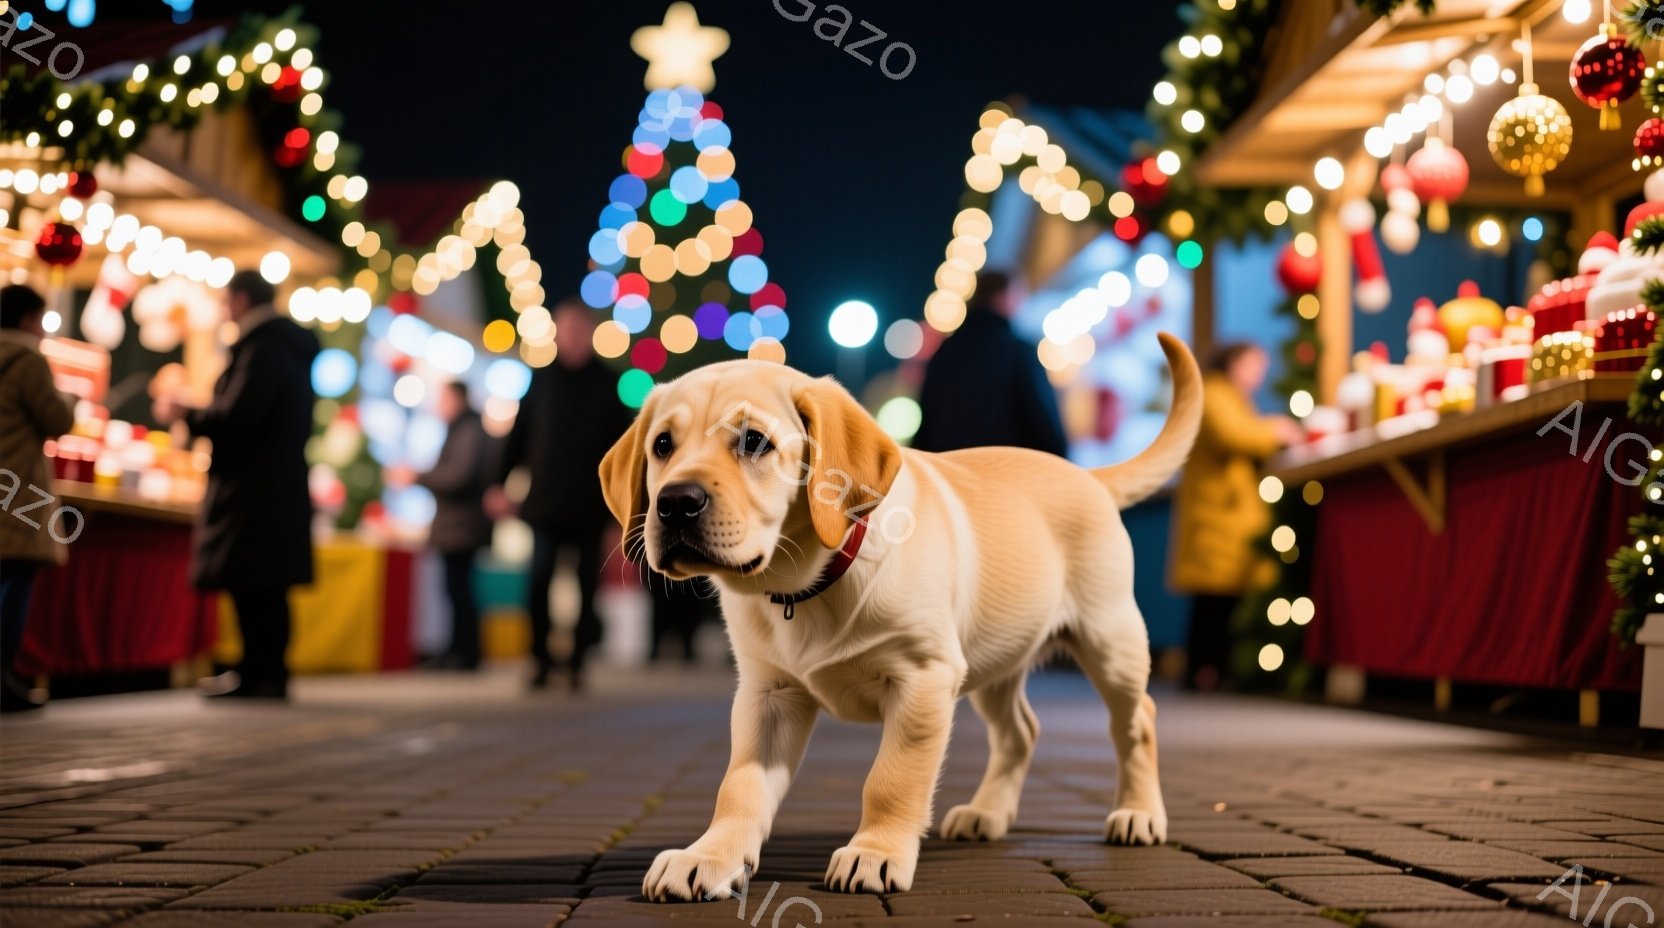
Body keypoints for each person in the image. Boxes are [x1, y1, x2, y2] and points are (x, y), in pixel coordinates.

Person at [154, 270, 318, 701]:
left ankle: (259, 673)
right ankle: (266, 672)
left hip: (254, 491)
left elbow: (238, 417)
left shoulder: (262, 349)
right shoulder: (286, 348)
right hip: (276, 488)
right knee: (267, 587)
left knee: (254, 585)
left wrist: (186, 413)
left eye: (227, 301)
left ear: (242, 300)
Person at [488, 301, 630, 691]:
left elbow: (621, 453)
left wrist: (622, 510)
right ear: (556, 333)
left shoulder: (606, 383)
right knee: (538, 582)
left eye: (578, 330)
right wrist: (499, 483)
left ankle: (578, 662)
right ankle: (540, 659)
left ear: (588, 334)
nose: (571, 337)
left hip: (589, 508)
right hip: (544, 505)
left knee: (587, 588)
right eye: (565, 330)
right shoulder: (541, 379)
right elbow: (518, 437)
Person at [1168, 342, 1302, 691]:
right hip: (1217, 515)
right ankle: (1202, 672)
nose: (1259, 374)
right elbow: (1232, 436)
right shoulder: (1214, 393)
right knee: (1212, 604)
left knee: (1220, 604)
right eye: (1254, 364)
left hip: (1227, 515)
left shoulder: (1232, 398)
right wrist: (1276, 431)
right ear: (1234, 363)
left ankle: (1209, 671)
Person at [0, 285, 75, 713]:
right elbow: (57, 418)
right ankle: (4, 679)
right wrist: (69, 400)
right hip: (18, 491)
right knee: (15, 581)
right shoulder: (28, 359)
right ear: (29, 319)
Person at [393, 381, 494, 670]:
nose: (438, 406)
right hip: (459, 525)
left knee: (458, 590)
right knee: (456, 589)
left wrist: (418, 477)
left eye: (443, 399)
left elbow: (459, 476)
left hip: (461, 526)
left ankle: (464, 653)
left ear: (456, 399)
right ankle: (459, 651)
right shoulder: (466, 429)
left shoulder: (468, 431)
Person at [914, 271, 1068, 457]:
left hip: (948, 473)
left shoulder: (945, 351)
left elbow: (927, 418)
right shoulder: (1018, 351)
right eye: (1018, 294)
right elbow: (1042, 421)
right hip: (1001, 472)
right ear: (1001, 297)